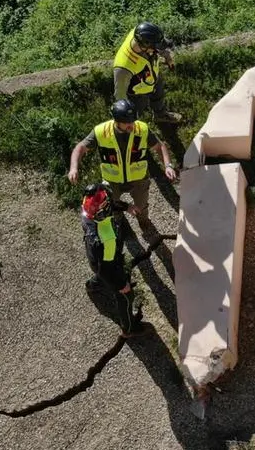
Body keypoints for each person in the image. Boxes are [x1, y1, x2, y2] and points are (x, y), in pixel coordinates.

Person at [68, 98, 178, 234]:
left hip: (139, 179)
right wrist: (74, 168)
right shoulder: (101, 131)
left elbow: (159, 146)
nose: (132, 125)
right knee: (111, 206)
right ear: (116, 121)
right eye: (127, 123)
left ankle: (143, 221)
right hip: (112, 180)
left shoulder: (141, 129)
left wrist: (168, 165)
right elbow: (80, 147)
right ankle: (118, 222)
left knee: (141, 206)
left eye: (133, 121)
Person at [81, 183, 151, 338]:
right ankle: (129, 328)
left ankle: (93, 286)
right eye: (106, 202)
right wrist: (121, 285)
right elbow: (106, 268)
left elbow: (110, 204)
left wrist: (126, 207)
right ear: (102, 210)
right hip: (107, 262)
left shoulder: (88, 209)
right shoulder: (107, 239)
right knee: (126, 297)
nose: (109, 202)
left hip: (96, 259)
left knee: (100, 272)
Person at [113, 21, 182, 123]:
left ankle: (160, 115)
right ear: (144, 46)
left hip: (153, 75)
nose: (157, 50)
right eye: (154, 47)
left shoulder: (140, 34)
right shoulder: (123, 68)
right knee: (135, 114)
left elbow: (158, 47)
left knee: (159, 96)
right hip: (138, 93)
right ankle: (133, 131)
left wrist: (167, 57)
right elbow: (120, 96)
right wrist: (125, 117)